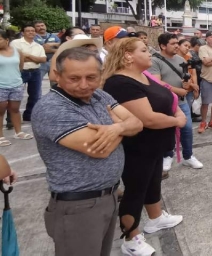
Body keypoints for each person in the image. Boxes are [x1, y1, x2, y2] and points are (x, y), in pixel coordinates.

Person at [32, 47, 143, 256]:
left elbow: (137, 123)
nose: (84, 85)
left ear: (101, 75)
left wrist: (116, 128)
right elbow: (98, 149)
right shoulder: (52, 108)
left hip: (107, 196)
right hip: (77, 205)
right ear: (57, 75)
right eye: (74, 78)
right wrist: (120, 124)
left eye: (91, 77)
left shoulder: (99, 95)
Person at [102, 38, 185, 255]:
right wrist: (177, 121)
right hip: (137, 147)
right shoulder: (120, 83)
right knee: (135, 191)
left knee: (152, 182)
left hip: (154, 145)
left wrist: (178, 112)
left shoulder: (143, 75)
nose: (150, 54)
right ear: (128, 55)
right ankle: (131, 237)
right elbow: (147, 118)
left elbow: (168, 98)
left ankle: (156, 217)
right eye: (144, 50)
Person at [149, 33, 203, 174]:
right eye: (173, 43)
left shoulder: (179, 59)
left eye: (176, 43)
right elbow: (157, 82)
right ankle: (167, 155)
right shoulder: (155, 61)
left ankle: (188, 156)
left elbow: (185, 77)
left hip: (181, 102)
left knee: (187, 129)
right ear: (162, 46)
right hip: (164, 102)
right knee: (167, 130)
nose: (176, 46)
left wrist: (187, 84)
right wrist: (177, 90)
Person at [10, 24, 46, 122]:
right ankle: (11, 119)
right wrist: (34, 58)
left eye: (33, 31)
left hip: (35, 72)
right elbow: (15, 58)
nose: (31, 32)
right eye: (28, 31)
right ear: (23, 33)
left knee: (35, 95)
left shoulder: (38, 45)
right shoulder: (15, 43)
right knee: (15, 96)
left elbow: (43, 59)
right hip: (20, 71)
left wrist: (27, 56)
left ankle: (29, 115)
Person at [0, 30, 30, 145]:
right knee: (0, 111)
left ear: (7, 40)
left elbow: (20, 67)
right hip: (1, 86)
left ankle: (18, 132)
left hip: (16, 84)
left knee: (15, 109)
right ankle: (1, 136)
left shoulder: (17, 52)